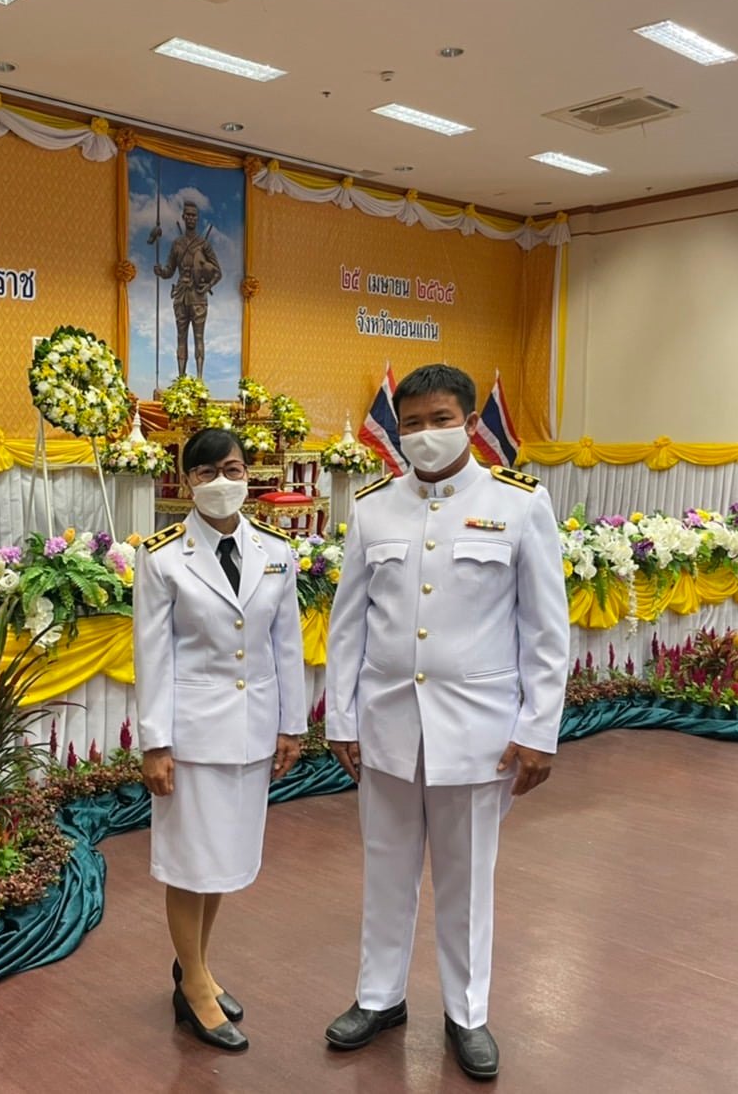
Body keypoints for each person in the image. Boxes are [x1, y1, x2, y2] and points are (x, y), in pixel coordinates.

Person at [322, 364, 569, 1081]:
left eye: (441, 420)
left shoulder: (519, 504)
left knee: (466, 880)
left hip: (479, 733)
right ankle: (379, 998)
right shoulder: (374, 507)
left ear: (469, 423)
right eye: (413, 423)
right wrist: (341, 717)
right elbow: (348, 625)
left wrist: (538, 730)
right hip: (388, 724)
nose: (426, 434)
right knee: (386, 869)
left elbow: (546, 631)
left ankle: (467, 1013)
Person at [133, 427, 306, 1053]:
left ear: (248, 474)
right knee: (190, 865)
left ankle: (196, 970)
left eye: (231, 469)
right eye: (206, 473)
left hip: (253, 731)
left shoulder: (276, 552)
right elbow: (153, 655)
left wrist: (292, 724)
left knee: (223, 862)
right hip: (193, 736)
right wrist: (156, 743)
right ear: (187, 483)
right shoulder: (161, 558)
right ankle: (195, 990)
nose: (221, 482)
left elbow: (286, 644)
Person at [152, 200, 222, 379]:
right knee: (180, 337)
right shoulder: (177, 244)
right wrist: (161, 272)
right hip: (181, 295)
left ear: (197, 218)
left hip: (198, 297)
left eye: (194, 215)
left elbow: (217, 272)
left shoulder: (203, 244)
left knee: (199, 337)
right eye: (188, 215)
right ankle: (181, 380)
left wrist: (207, 286)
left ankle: (199, 380)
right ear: (183, 217)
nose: (191, 218)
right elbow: (170, 270)